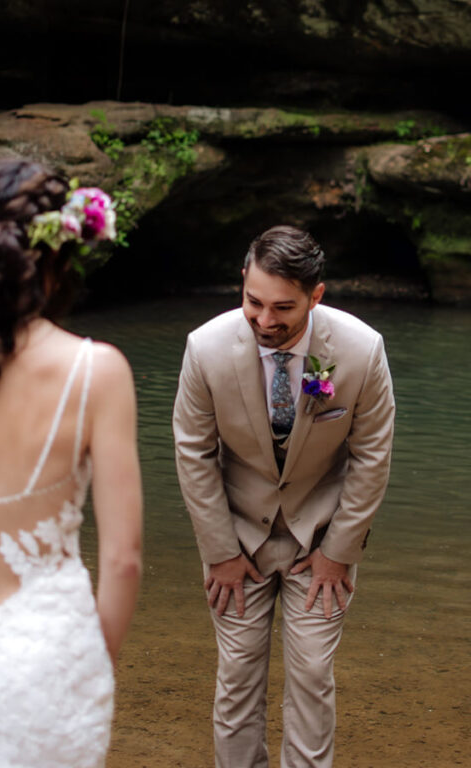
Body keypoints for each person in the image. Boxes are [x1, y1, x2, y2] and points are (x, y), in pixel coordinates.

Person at [173, 225, 395, 767]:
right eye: (253, 303)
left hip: (321, 539)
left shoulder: (361, 351)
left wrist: (338, 552)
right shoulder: (205, 348)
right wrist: (221, 552)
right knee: (237, 678)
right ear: (242, 284)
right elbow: (194, 455)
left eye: (283, 308)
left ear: (316, 297)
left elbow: (372, 458)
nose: (265, 321)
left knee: (314, 675)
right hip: (237, 539)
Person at [0, 158, 144, 768]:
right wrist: (92, 661)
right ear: (61, 253)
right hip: (49, 656)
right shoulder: (97, 371)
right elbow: (122, 559)